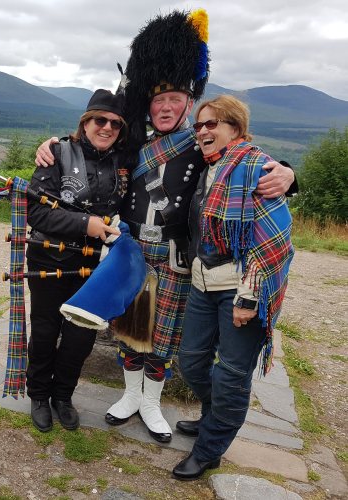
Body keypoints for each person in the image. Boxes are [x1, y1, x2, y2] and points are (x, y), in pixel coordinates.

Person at [35, 10, 296, 443]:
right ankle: (129, 397)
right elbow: (92, 141)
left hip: (177, 257)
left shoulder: (204, 140)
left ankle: (152, 402)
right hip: (130, 249)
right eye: (158, 100)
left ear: (189, 103)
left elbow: (252, 160)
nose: (166, 106)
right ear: (149, 105)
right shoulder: (132, 140)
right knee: (128, 328)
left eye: (175, 99)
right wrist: (52, 145)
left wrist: (287, 174)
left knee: (163, 335)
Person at [172, 95, 294, 480]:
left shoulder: (257, 168)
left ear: (236, 129)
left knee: (230, 375)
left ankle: (210, 448)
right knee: (191, 363)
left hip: (241, 291)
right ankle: (216, 417)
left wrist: (248, 297)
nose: (204, 131)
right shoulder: (207, 167)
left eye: (213, 124)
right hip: (202, 284)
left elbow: (273, 243)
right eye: (199, 125)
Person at [26, 89, 128, 432]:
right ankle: (39, 395)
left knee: (80, 337)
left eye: (115, 123)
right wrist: (86, 224)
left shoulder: (123, 161)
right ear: (85, 122)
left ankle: (63, 396)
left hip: (96, 267)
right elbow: (36, 211)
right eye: (100, 120)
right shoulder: (55, 153)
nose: (107, 127)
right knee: (44, 331)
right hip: (48, 259)